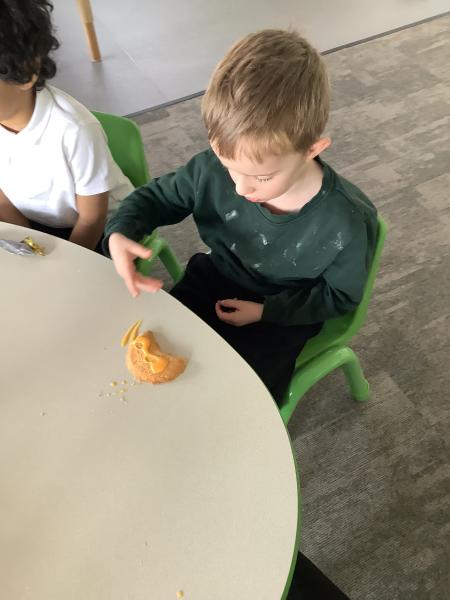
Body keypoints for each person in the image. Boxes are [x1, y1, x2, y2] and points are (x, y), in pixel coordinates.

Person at [104, 29, 378, 404]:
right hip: (215, 278)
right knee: (157, 359)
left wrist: (267, 311)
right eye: (228, 166)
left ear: (312, 150)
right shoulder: (211, 170)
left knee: (242, 399)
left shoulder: (345, 221)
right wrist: (121, 232)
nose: (240, 188)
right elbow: (155, 197)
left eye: (261, 177)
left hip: (287, 308)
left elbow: (340, 297)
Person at [0, 0, 133, 251]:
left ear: (25, 72)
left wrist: (60, 263)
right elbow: (3, 201)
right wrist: (30, 247)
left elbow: (92, 218)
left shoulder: (75, 130)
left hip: (103, 228)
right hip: (39, 221)